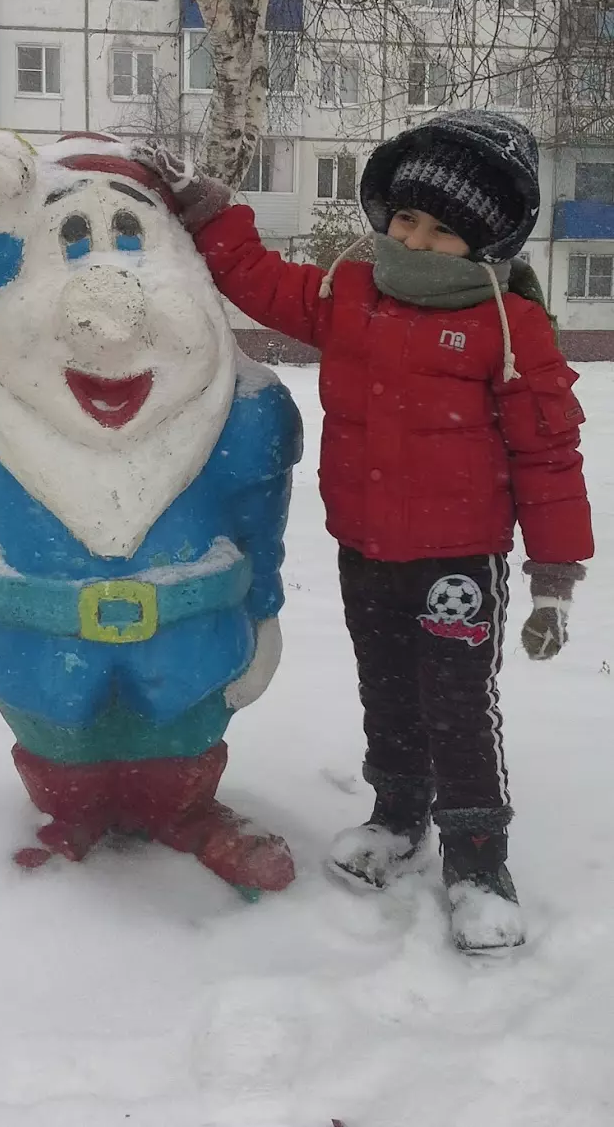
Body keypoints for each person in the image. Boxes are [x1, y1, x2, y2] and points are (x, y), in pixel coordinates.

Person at [133, 111, 593, 952]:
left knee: (457, 705)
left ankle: (480, 864)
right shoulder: (348, 295)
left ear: (486, 244)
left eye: (444, 230)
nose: (415, 240)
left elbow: (549, 453)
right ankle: (397, 818)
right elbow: (257, 278)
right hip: (364, 547)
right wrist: (209, 209)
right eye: (408, 218)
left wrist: (553, 575)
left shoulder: (509, 327)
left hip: (458, 559)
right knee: (385, 687)